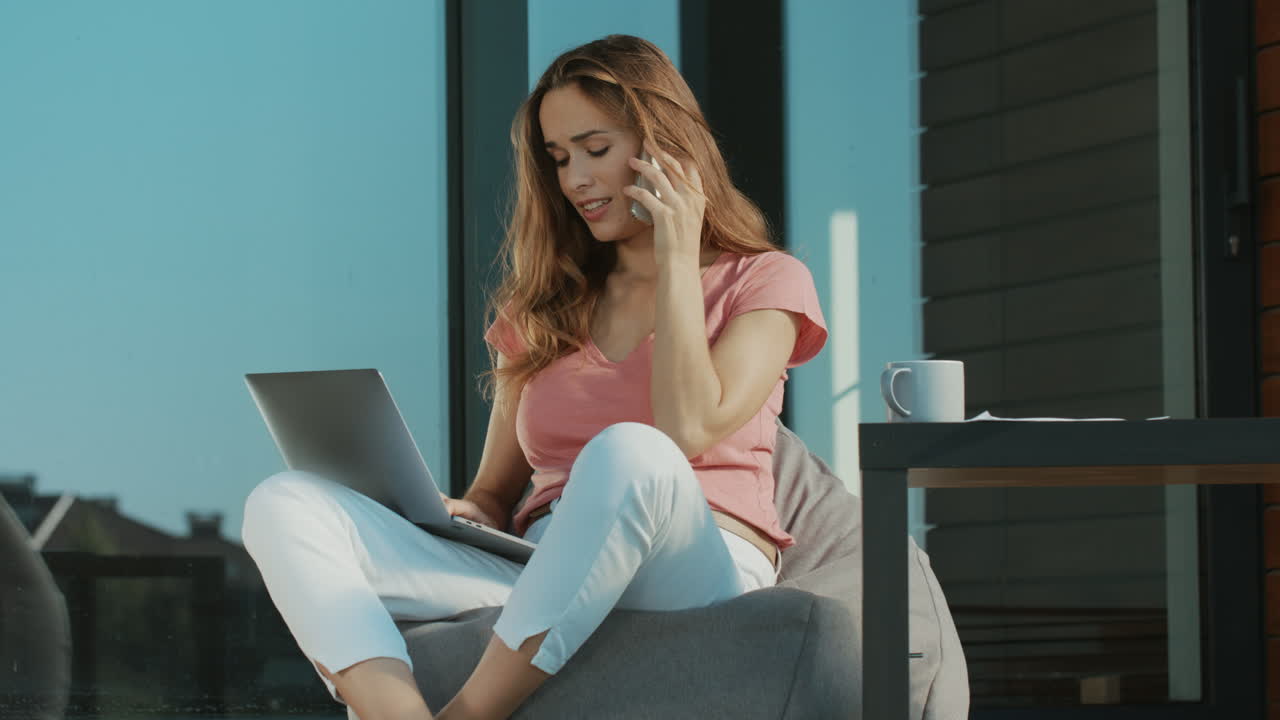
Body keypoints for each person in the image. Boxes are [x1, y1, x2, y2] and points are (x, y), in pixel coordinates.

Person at [241, 34, 828, 720]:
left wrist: (676, 254)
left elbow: (685, 429)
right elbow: (494, 491)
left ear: (665, 144)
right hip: (547, 567)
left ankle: (470, 713)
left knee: (630, 450)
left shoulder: (764, 280)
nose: (575, 178)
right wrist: (461, 515)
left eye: (596, 150)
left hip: (695, 561)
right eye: (558, 159)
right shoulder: (544, 305)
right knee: (284, 502)